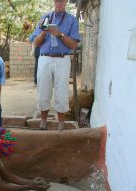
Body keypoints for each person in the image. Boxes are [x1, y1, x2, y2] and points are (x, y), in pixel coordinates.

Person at [33, 0, 80, 130]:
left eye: (62, 1)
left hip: (62, 59)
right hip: (44, 59)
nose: (59, 3)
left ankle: (61, 123)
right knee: (43, 91)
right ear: (54, 1)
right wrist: (44, 31)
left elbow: (73, 45)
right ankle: (43, 121)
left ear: (65, 2)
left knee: (62, 91)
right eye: (57, 0)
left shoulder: (71, 20)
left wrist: (59, 34)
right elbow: (36, 42)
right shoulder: (45, 18)